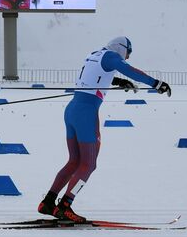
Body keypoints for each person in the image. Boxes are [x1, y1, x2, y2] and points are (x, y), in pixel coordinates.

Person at [38, 37, 171, 223]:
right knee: (88, 164)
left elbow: (97, 75)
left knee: (74, 161)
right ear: (121, 48)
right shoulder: (111, 56)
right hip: (86, 114)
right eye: (128, 52)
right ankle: (65, 205)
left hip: (72, 110)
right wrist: (156, 83)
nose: (127, 57)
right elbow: (130, 70)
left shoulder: (94, 55)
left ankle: (48, 202)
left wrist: (118, 81)